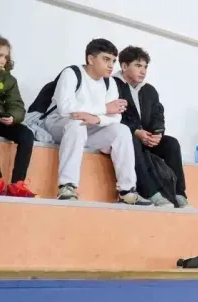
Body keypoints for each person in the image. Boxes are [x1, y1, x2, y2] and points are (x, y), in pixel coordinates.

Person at [41, 38, 150, 205]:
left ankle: (127, 191)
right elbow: (65, 107)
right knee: (77, 124)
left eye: (113, 61)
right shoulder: (71, 73)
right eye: (106, 59)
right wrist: (103, 109)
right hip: (59, 125)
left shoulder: (110, 82)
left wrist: (96, 118)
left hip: (89, 128)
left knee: (121, 130)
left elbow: (116, 116)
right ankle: (67, 187)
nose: (111, 65)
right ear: (91, 59)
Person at [114, 46, 188, 208]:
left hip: (147, 136)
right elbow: (115, 116)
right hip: (129, 136)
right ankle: (151, 193)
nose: (143, 71)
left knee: (171, 144)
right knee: (132, 141)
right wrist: (136, 131)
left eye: (145, 67)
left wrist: (158, 133)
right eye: (138, 66)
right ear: (124, 66)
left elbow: (158, 114)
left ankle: (179, 194)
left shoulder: (149, 90)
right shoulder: (113, 85)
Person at [0, 35, 36, 197]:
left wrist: (12, 117)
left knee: (26, 134)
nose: (3, 60)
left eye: (6, 56)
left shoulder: (9, 79)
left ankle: (17, 184)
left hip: (1, 119)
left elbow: (17, 104)